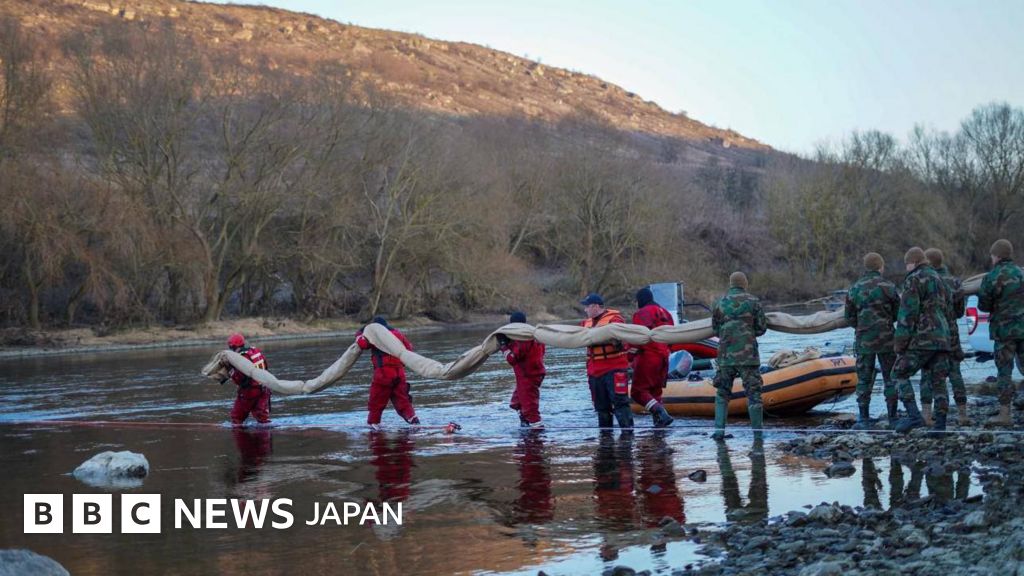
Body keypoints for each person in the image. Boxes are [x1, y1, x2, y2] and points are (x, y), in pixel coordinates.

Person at [891, 247, 953, 435]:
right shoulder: (941, 279)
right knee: (939, 380)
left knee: (899, 373)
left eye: (907, 264)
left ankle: (913, 416)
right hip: (942, 337)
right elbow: (949, 310)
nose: (906, 267)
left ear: (914, 262)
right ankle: (940, 425)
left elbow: (907, 314)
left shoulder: (914, 279)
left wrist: (900, 343)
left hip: (922, 338)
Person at [844, 252, 900, 430]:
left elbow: (849, 317)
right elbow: (898, 313)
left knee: (864, 379)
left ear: (865, 267)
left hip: (864, 339)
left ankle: (864, 418)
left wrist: (861, 326)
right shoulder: (889, 287)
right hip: (887, 339)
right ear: (880, 267)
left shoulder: (854, 289)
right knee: (890, 377)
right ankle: (892, 417)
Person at [710, 272, 768, 440]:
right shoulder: (753, 302)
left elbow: (715, 329)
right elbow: (761, 328)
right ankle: (757, 435)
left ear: (731, 284)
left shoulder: (719, 303)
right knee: (754, 394)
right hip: (748, 356)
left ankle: (719, 432)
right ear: (745, 284)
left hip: (725, 356)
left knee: (722, 393)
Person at [978, 239, 1024, 426]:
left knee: (1004, 372)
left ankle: (1005, 414)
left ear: (996, 256)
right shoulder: (1021, 274)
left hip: (1004, 332)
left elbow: (984, 305)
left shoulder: (992, 277)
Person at [922, 248, 970, 426]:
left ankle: (927, 416)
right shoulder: (955, 282)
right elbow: (959, 312)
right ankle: (962, 414)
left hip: (929, 334)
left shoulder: (925, 281)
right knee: (955, 372)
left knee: (927, 373)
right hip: (951, 333)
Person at [580, 293, 633, 429]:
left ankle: (627, 436)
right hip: (595, 371)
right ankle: (605, 439)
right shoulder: (585, 324)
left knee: (620, 404)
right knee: (601, 408)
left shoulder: (615, 320)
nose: (585, 310)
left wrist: (617, 342)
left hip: (614, 369)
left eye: (587, 307)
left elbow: (625, 341)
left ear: (596, 306)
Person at [356, 316, 420, 430]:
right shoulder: (397, 333)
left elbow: (362, 344)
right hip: (400, 373)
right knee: (402, 399)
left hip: (384, 374)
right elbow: (409, 349)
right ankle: (413, 419)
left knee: (376, 401)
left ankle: (373, 423)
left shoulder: (375, 335)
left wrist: (360, 333)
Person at [630, 287, 675, 428]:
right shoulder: (666, 313)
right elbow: (673, 337)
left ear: (640, 300)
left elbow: (638, 337)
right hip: (664, 357)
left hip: (649, 356)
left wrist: (629, 356)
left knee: (638, 392)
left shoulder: (642, 313)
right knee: (655, 393)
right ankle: (659, 427)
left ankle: (661, 413)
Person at [499, 311, 546, 428]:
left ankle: (536, 436)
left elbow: (512, 359)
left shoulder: (523, 340)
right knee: (517, 402)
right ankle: (525, 425)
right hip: (533, 374)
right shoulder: (534, 335)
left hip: (528, 377)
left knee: (530, 409)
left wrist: (503, 346)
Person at [225, 333, 272, 426]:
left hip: (250, 391)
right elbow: (266, 366)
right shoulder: (255, 351)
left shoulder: (241, 358)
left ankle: (241, 436)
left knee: (236, 418)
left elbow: (240, 378)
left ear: (233, 346)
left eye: (231, 348)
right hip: (265, 388)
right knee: (263, 419)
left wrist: (230, 371)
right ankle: (266, 437)